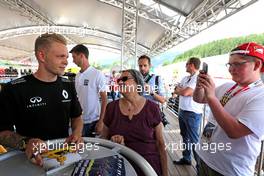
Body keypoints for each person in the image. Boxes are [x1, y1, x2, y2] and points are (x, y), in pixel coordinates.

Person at [0, 33, 83, 166]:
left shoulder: (67, 84)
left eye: (66, 57)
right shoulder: (13, 89)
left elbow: (77, 116)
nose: (66, 61)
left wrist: (77, 134)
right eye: (60, 56)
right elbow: (2, 133)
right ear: (42, 56)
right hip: (30, 161)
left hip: (64, 159)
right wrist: (26, 142)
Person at [193, 42, 264, 176]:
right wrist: (199, 86)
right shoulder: (228, 86)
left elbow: (235, 131)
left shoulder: (260, 95)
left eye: (237, 64)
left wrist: (212, 97)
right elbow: (199, 99)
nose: (231, 69)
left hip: (229, 169)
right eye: (230, 64)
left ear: (257, 65)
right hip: (204, 157)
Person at [101, 69, 168, 176]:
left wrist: (165, 174)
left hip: (148, 167)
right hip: (119, 166)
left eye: (125, 79)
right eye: (119, 80)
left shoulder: (152, 108)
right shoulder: (111, 108)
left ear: (137, 83)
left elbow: (160, 144)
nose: (120, 82)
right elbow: (104, 140)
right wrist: (112, 141)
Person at [70, 44, 107, 137]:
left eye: (74, 57)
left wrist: (101, 121)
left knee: (92, 150)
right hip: (79, 121)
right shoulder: (77, 76)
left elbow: (104, 99)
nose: (73, 60)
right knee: (79, 149)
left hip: (93, 121)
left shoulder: (97, 74)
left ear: (82, 56)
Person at [173, 57, 204, 165]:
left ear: (191, 65)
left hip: (193, 113)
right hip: (182, 111)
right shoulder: (186, 78)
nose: (185, 66)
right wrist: (184, 91)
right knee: (185, 136)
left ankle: (200, 166)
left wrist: (183, 91)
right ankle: (186, 158)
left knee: (194, 140)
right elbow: (178, 89)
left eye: (186, 64)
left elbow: (186, 92)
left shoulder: (198, 78)